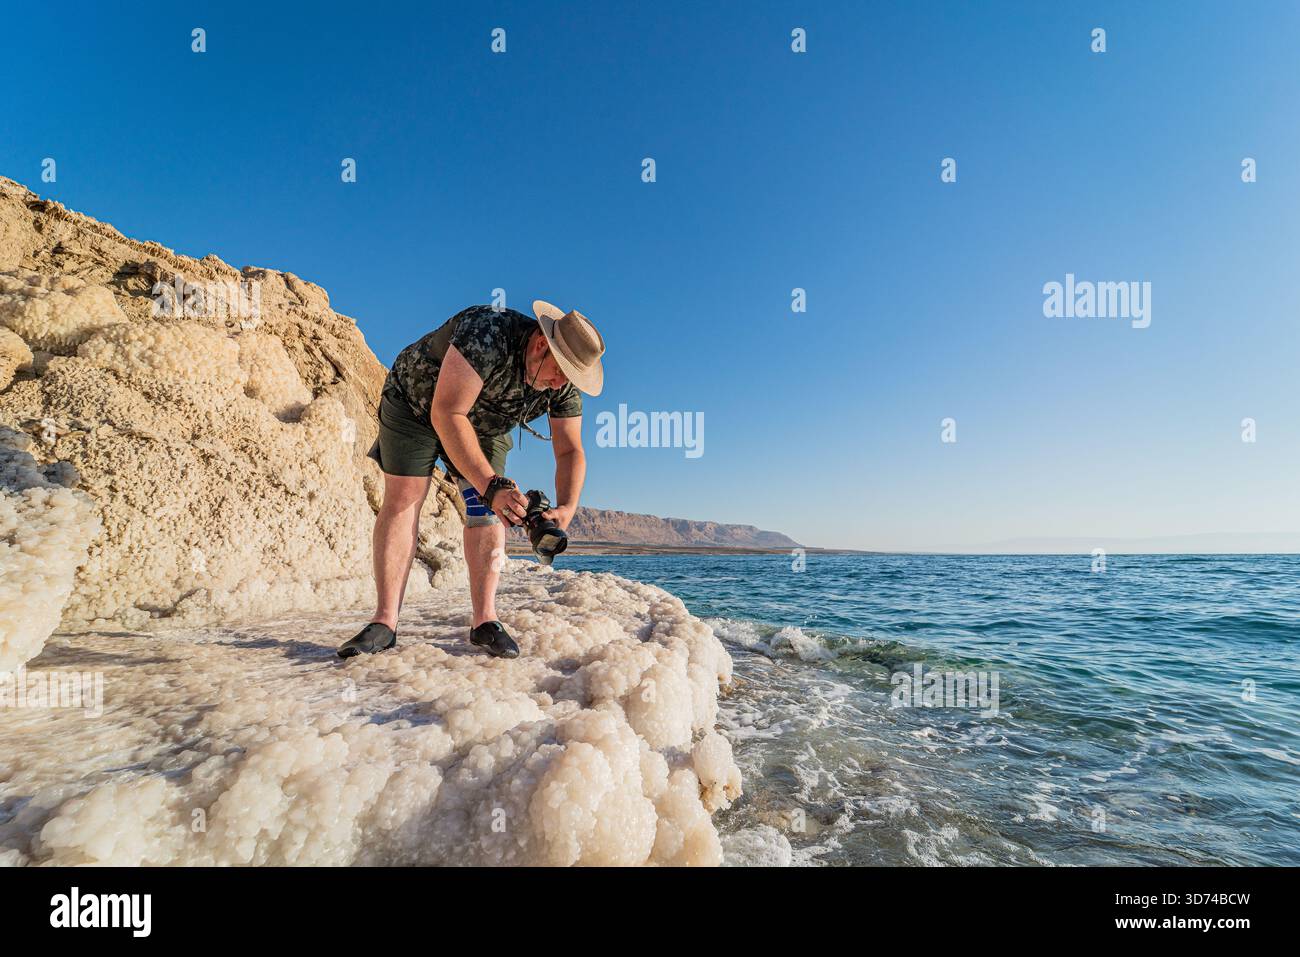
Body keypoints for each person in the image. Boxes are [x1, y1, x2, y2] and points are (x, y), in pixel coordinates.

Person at [337, 300, 605, 660]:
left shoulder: (562, 385)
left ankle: (485, 622)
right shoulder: (488, 333)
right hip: (416, 405)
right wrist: (490, 484)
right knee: (406, 497)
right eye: (558, 373)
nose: (558, 386)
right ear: (542, 345)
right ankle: (384, 623)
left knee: (486, 512)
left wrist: (567, 507)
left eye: (568, 380)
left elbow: (570, 451)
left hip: (485, 426)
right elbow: (447, 412)